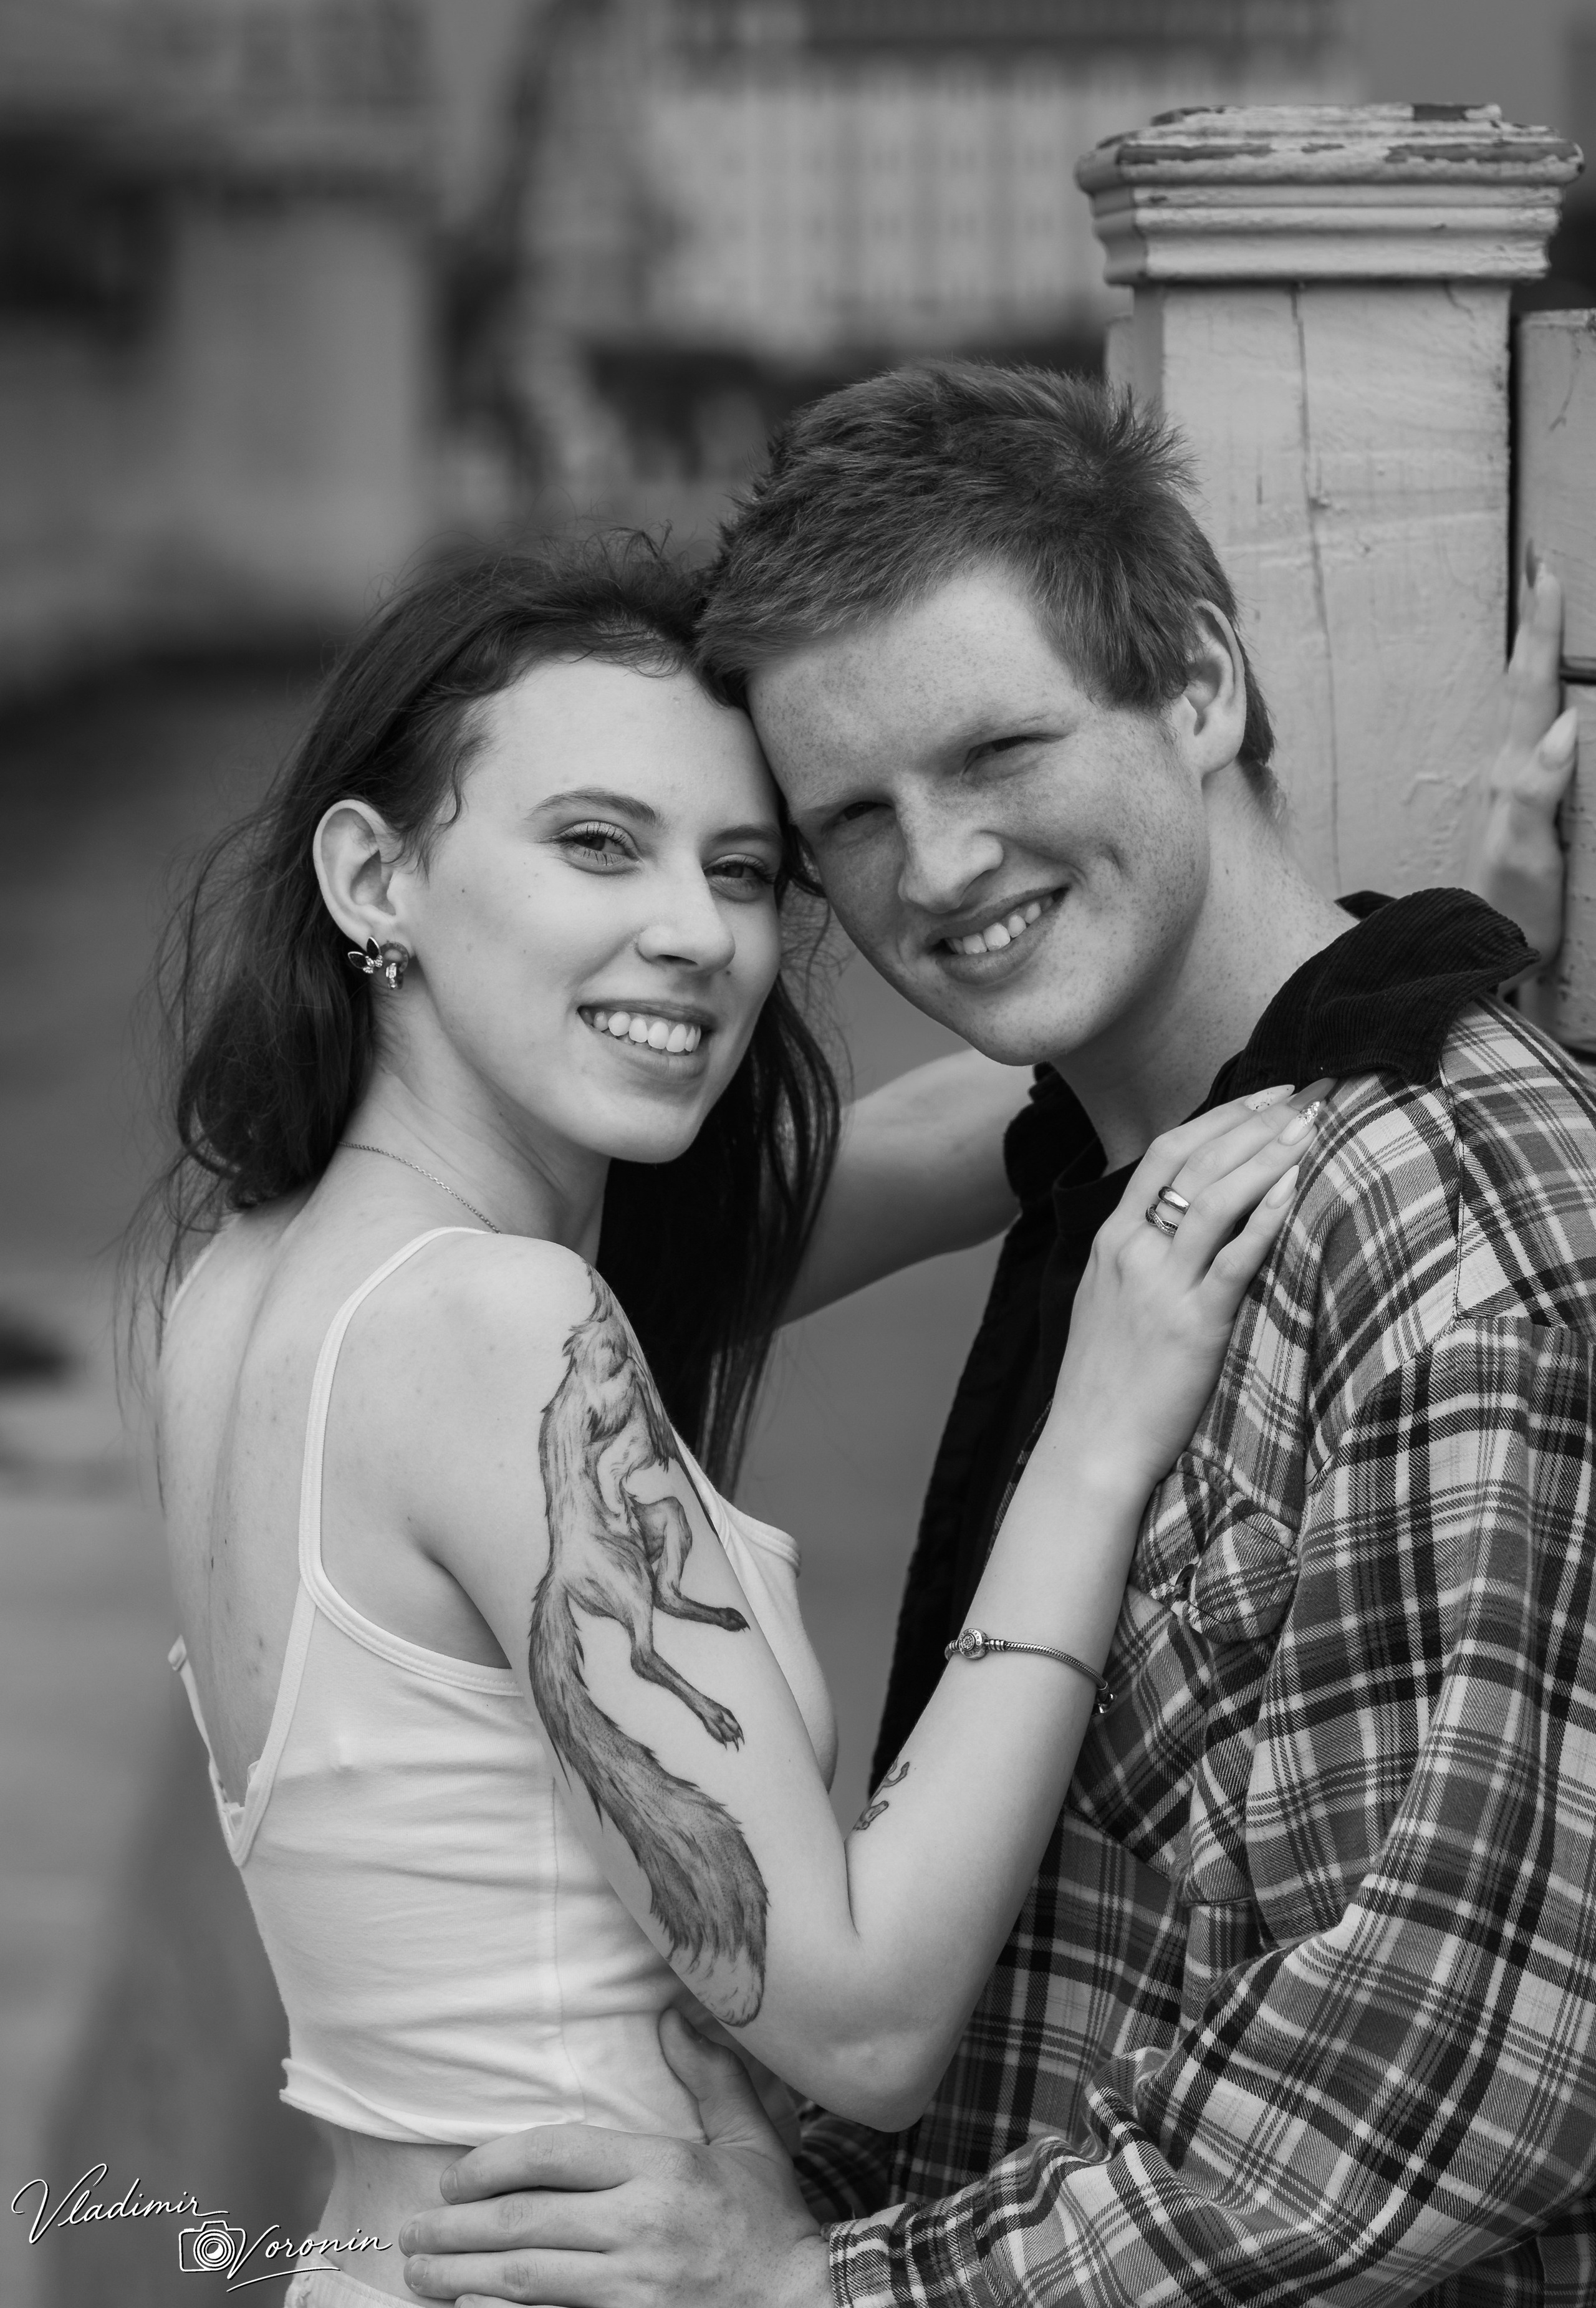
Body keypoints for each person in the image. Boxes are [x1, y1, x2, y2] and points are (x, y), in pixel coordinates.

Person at [398, 368, 1596, 2308]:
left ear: (1198, 683)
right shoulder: (1113, 1173)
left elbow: (1436, 2083)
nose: (938, 871)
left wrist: (825, 2294)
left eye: (999, 752)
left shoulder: (1461, 1230)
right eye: (846, 822)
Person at [149, 536, 1312, 2307]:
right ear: (375, 873)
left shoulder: (248, 1274)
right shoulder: (497, 1326)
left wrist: (1327, 975)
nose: (696, 934)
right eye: (597, 844)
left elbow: (964, 1140)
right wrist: (1095, 1426)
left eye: (748, 868)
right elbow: (863, 2017)